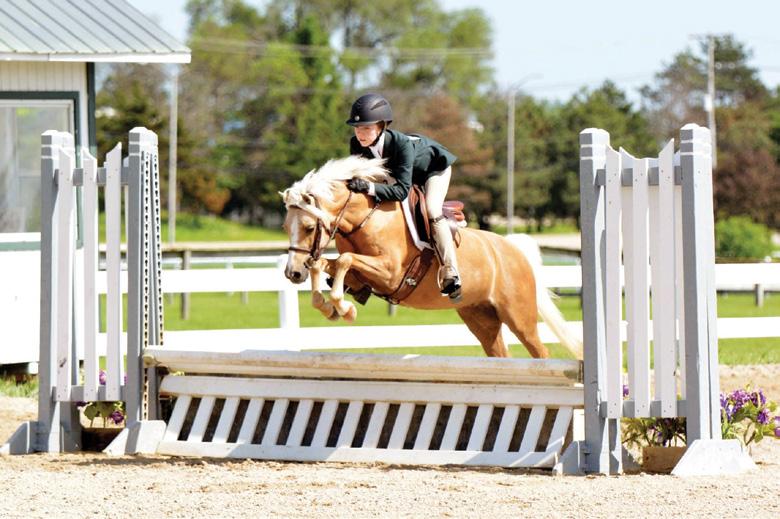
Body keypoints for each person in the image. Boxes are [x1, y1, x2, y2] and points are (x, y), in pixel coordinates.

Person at [345, 93, 461, 301]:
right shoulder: (356, 144)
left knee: (432, 209)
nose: (360, 133)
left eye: (366, 128)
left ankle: (450, 271)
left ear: (381, 127)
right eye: (357, 127)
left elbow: (400, 192)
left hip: (434, 170)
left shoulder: (401, 144)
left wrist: (369, 186)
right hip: (400, 174)